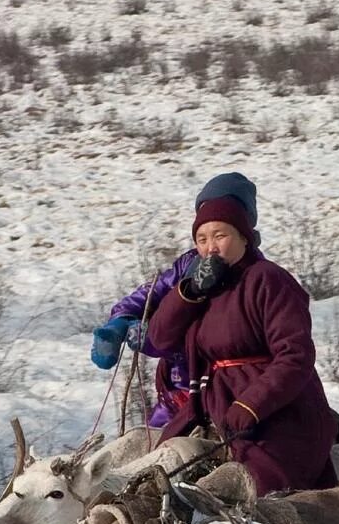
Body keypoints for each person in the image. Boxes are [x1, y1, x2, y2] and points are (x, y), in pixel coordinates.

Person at [145, 188, 338, 495]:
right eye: (202, 239)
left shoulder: (267, 279)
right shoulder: (203, 288)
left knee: (258, 488)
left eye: (219, 235)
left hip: (275, 412)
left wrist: (251, 404)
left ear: (244, 237)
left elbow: (295, 356)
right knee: (154, 480)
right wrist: (188, 293)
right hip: (210, 405)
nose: (210, 248)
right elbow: (159, 338)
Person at [91, 172, 261, 428]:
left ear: (242, 228)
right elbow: (151, 293)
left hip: (219, 396)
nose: (211, 245)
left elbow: (213, 338)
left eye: (221, 231)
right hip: (173, 395)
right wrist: (120, 320)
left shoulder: (255, 278)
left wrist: (155, 340)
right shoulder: (189, 263)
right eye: (204, 231)